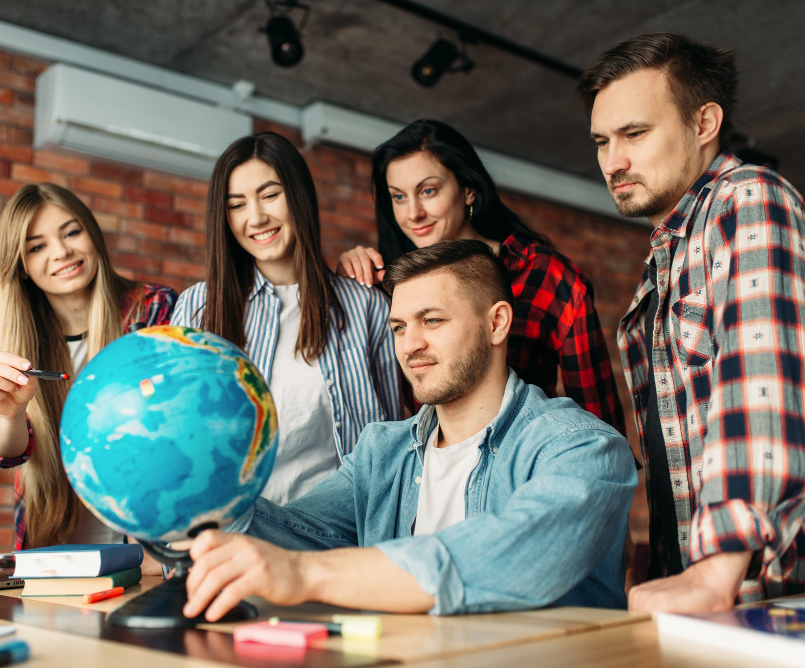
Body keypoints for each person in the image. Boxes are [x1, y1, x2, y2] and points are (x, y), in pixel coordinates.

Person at [181, 240, 637, 620]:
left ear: (497, 322)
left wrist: (305, 575)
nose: (410, 345)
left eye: (432, 320)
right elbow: (292, 532)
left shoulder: (582, 447)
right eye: (399, 327)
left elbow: (511, 554)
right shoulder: (381, 451)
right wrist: (198, 494)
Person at [578, 32, 805, 613]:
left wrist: (714, 575)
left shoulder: (750, 199)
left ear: (704, 123)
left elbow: (762, 388)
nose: (613, 161)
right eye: (602, 141)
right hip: (698, 594)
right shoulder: (666, 259)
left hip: (755, 598)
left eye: (635, 133)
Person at [337, 120, 626, 434]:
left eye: (428, 191)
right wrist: (347, 288)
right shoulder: (390, 281)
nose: (413, 214)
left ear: (468, 191)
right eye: (399, 197)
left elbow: (600, 424)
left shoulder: (545, 275)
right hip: (430, 465)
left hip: (523, 464)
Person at [171, 132, 400, 506]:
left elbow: (392, 442)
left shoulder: (366, 307)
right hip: (235, 534)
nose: (256, 217)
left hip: (336, 537)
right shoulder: (198, 307)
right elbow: (177, 436)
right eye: (237, 204)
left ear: (298, 195)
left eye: (270, 195)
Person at [0, 183, 176, 551]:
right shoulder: (23, 339)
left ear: (92, 233)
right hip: (54, 554)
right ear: (20, 268)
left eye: (71, 232)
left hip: (144, 552)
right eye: (37, 246)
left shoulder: (153, 310)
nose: (62, 251)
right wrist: (9, 414)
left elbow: (169, 426)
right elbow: (9, 453)